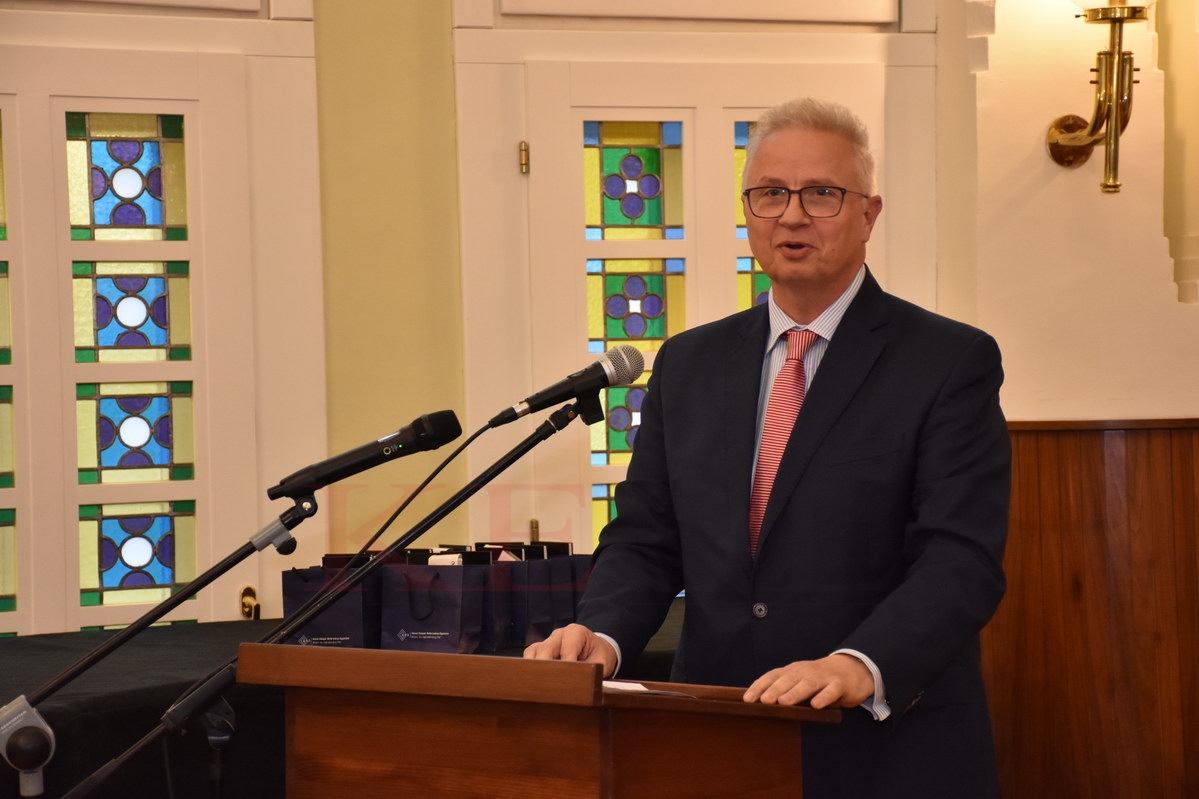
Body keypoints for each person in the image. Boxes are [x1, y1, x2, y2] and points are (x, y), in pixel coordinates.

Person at [525, 97, 1010, 798]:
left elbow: (959, 559)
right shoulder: (689, 363)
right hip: (717, 737)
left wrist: (858, 662)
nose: (792, 215)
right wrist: (600, 635)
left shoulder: (946, 361)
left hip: (883, 743)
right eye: (770, 193)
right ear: (748, 211)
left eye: (822, 194)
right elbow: (646, 539)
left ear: (868, 214)